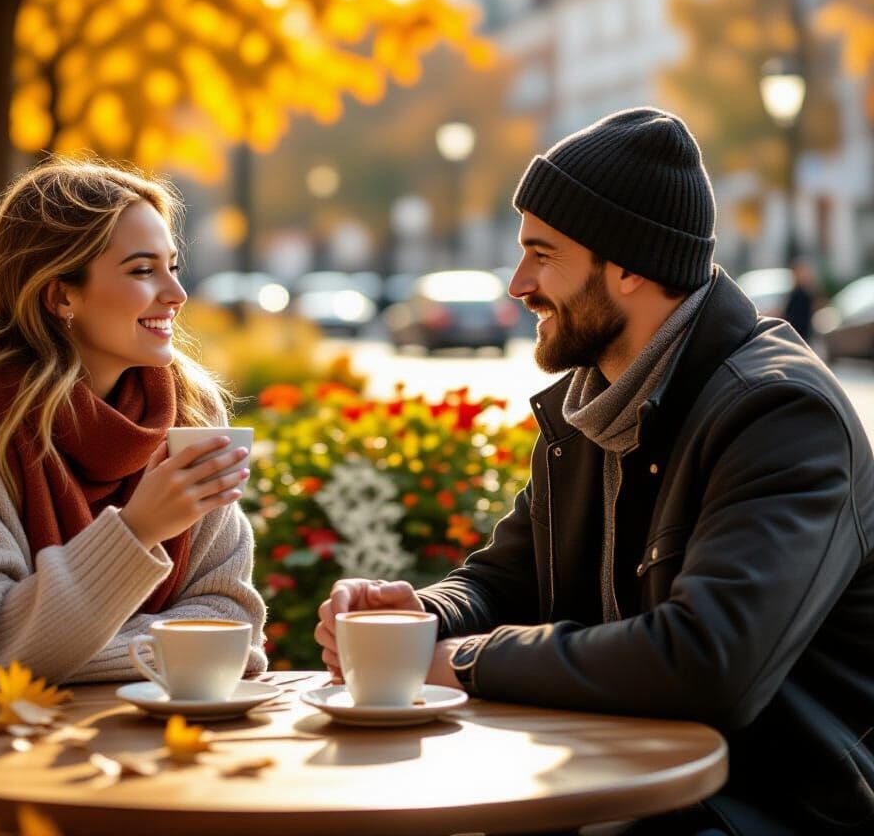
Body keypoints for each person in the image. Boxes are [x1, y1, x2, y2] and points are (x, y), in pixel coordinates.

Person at [317, 108, 874, 836]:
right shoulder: (600, 401)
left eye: (542, 255)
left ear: (630, 265)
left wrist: (462, 662)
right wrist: (416, 618)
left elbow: (707, 664)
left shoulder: (776, 413)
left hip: (761, 807)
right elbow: (501, 577)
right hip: (615, 783)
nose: (518, 284)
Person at [0, 160, 267, 835]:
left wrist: (55, 647)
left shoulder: (190, 410)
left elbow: (234, 629)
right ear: (60, 295)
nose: (177, 294)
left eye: (172, 264)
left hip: (134, 751)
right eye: (141, 270)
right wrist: (136, 534)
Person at [780, 257, 817, 344]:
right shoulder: (796, 292)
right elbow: (788, 313)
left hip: (804, 334)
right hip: (797, 333)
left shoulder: (807, 292)